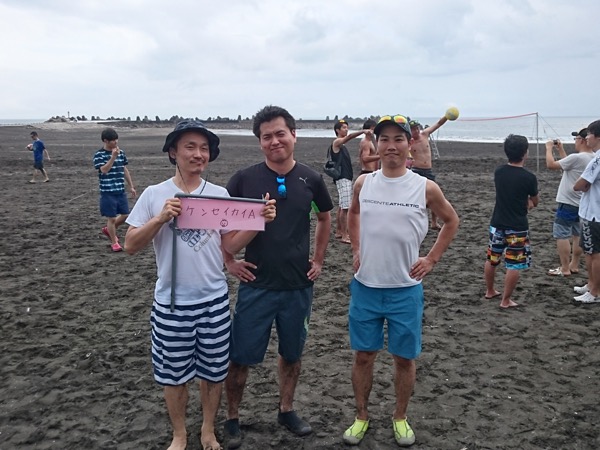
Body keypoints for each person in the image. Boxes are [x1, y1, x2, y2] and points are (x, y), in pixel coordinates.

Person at [124, 119, 276, 450]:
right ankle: (179, 434)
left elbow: (229, 245)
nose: (198, 154)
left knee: (213, 372)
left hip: (214, 302)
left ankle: (208, 430)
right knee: (173, 376)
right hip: (171, 304)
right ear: (173, 152)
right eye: (190, 147)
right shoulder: (154, 195)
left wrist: (258, 221)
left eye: (204, 148)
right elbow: (131, 244)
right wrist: (160, 218)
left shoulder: (219, 195)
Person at [343, 114, 459, 447]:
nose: (391, 146)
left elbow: (451, 221)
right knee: (363, 356)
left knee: (404, 358)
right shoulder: (364, 183)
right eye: (385, 139)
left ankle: (400, 416)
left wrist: (431, 259)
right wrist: (356, 247)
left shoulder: (425, 187)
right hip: (366, 286)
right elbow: (353, 213)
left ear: (410, 144)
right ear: (377, 144)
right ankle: (361, 416)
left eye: (398, 139)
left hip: (405, 290)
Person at [223, 105, 333, 448]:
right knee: (240, 357)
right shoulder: (244, 179)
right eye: (266, 136)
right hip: (257, 284)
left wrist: (318, 259)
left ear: (294, 135)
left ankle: (286, 409)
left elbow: (325, 218)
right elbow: (222, 225)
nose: (274, 141)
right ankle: (232, 417)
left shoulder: (311, 179)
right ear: (259, 142)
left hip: (298, 285)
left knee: (292, 354)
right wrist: (229, 261)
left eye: (280, 134)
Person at [484, 134, 539, 308]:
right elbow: (535, 201)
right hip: (517, 226)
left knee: (492, 258)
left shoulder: (499, 172)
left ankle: (490, 290)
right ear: (525, 153)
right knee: (514, 264)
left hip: (497, 222)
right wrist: (528, 203)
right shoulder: (529, 177)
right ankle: (505, 300)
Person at [545, 130, 594, 276]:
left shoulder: (577, 158)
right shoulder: (593, 158)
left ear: (582, 140)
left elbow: (551, 165)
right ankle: (574, 264)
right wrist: (560, 150)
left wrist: (548, 148)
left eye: (576, 138)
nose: (575, 141)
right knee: (577, 235)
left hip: (567, 202)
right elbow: (568, 164)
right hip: (582, 204)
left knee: (562, 234)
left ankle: (565, 268)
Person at [93, 128, 136, 252]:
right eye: (113, 140)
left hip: (120, 190)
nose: (116, 142)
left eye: (116, 139)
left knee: (125, 215)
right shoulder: (99, 155)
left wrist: (131, 186)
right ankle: (114, 242)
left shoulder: (121, 153)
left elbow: (124, 169)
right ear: (105, 141)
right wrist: (113, 157)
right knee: (111, 218)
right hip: (107, 191)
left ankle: (109, 229)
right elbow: (104, 170)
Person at [573, 119, 600, 303]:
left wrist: (581, 185)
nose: (587, 137)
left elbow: (579, 184)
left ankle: (595, 291)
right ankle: (591, 284)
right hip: (593, 211)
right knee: (590, 251)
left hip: (594, 213)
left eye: (589, 134)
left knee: (594, 253)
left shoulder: (597, 160)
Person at [409, 115, 451, 229]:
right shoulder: (409, 141)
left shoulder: (425, 134)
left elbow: (438, 123)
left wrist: (447, 116)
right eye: (413, 129)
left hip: (428, 170)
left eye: (417, 128)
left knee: (435, 196)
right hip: (416, 171)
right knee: (416, 197)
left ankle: (434, 222)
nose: (416, 131)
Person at [330, 119, 369, 244]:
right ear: (337, 130)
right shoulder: (337, 142)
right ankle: (344, 235)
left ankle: (339, 231)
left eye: (347, 127)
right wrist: (362, 131)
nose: (346, 129)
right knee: (346, 207)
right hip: (343, 178)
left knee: (342, 206)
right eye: (344, 127)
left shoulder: (342, 145)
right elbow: (350, 137)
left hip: (345, 177)